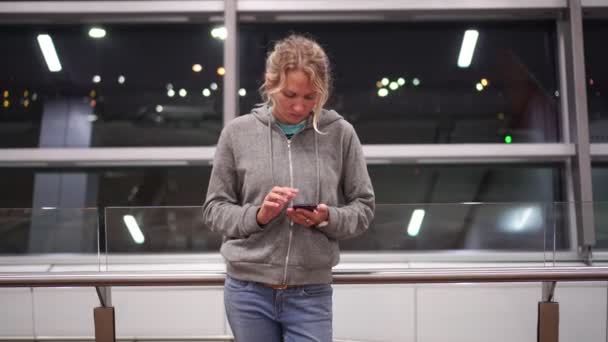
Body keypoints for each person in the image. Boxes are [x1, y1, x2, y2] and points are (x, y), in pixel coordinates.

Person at [203, 34, 375, 342]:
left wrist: (326, 218)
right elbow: (215, 210)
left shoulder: (341, 134)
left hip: (311, 292)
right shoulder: (237, 134)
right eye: (290, 94)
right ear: (270, 85)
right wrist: (258, 216)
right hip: (247, 292)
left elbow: (363, 208)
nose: (299, 106)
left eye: (310, 97)